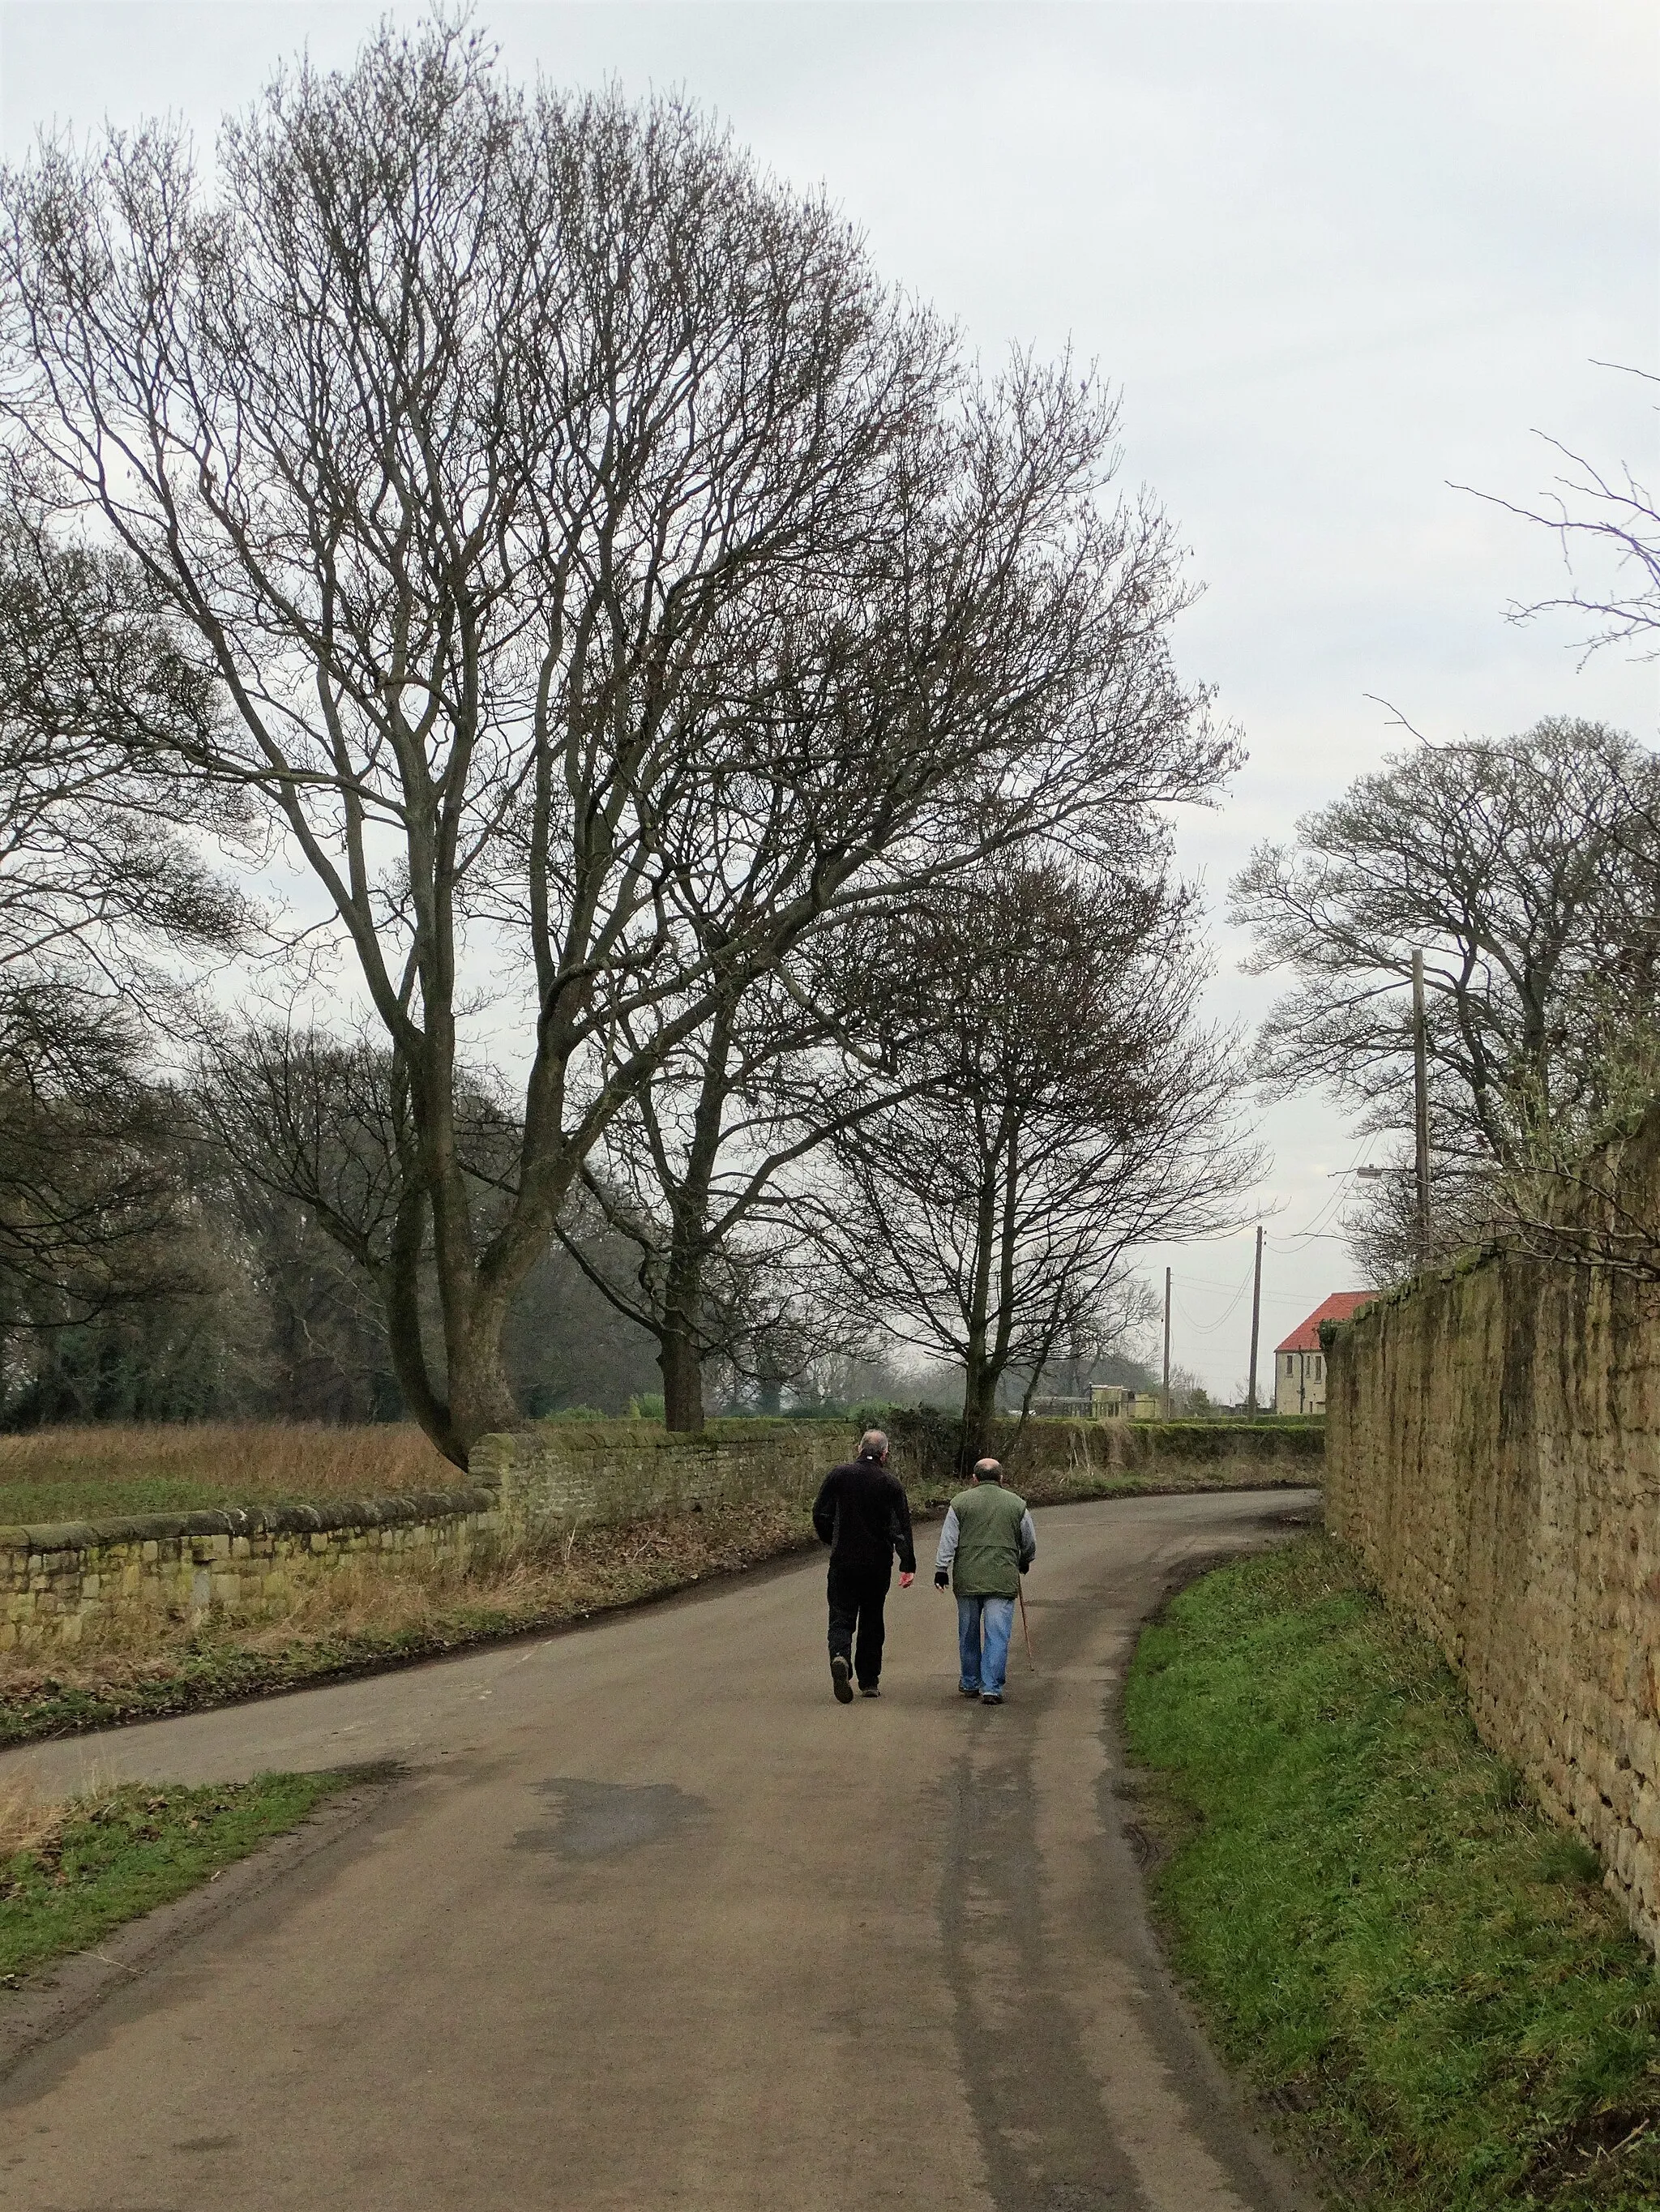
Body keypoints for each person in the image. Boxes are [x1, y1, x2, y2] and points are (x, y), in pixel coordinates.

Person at [811, 1428, 916, 1701]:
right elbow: (900, 1527)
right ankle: (869, 1680)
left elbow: (820, 1513)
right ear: (885, 1454)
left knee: (841, 1616)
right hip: (877, 1564)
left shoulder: (839, 1475)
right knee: (872, 1619)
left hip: (843, 1560)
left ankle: (840, 1656)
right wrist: (908, 1563)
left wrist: (829, 1539)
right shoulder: (891, 1484)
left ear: (859, 1449)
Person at [933, 1457, 1036, 1705]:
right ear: (1002, 1479)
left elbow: (949, 1539)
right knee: (997, 1634)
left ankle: (970, 1682)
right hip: (1002, 1578)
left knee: (968, 1632)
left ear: (974, 1479)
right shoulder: (1017, 1504)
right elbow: (1029, 1541)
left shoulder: (960, 1503)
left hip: (968, 1579)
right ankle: (991, 1688)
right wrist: (1024, 1560)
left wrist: (941, 1569)